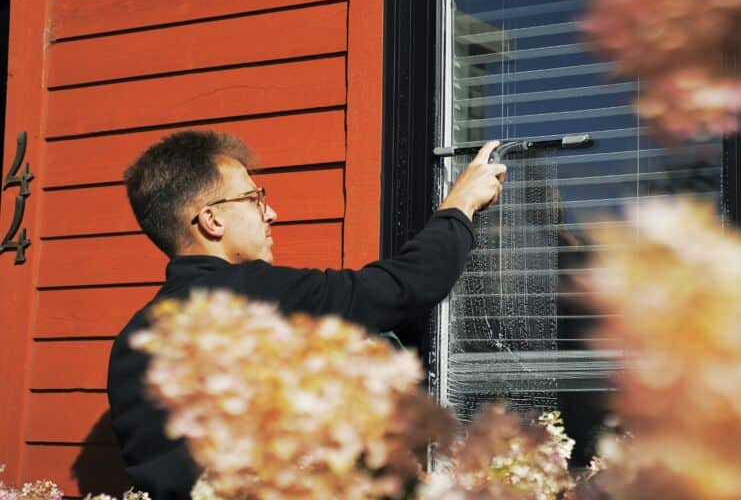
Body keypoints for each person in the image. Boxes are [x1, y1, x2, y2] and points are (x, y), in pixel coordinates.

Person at [107, 130, 506, 499]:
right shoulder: (254, 296)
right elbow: (403, 288)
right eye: (254, 198)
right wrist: (460, 205)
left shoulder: (132, 340)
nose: (272, 212)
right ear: (212, 220)